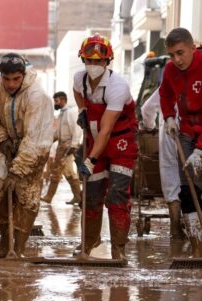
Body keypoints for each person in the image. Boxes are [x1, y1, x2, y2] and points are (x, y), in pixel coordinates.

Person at [0, 52, 54, 258]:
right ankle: (4, 236)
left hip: (34, 148)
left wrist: (17, 172)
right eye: (6, 79)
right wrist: (1, 140)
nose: (11, 84)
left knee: (27, 196)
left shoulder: (38, 97)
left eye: (16, 79)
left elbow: (36, 139)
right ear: (0, 75)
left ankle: (19, 246)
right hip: (3, 143)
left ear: (23, 75)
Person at [73, 33, 138, 261]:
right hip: (94, 139)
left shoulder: (117, 86)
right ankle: (89, 242)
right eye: (89, 61)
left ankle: (118, 248)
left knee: (117, 194)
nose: (93, 65)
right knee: (91, 195)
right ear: (83, 60)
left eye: (98, 61)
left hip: (120, 143)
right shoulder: (79, 79)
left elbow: (107, 129)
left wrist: (90, 160)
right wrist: (82, 110)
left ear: (107, 62)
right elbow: (77, 93)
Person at [160, 27, 202, 256]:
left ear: (192, 48)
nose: (176, 60)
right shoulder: (169, 70)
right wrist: (168, 117)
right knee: (187, 186)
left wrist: (201, 149)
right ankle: (198, 246)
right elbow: (165, 95)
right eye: (172, 55)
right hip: (185, 130)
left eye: (180, 53)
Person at [141, 88, 185, 240]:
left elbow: (146, 109)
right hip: (193, 133)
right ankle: (195, 231)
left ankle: (176, 229)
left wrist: (150, 126)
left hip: (168, 134)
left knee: (171, 179)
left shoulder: (167, 84)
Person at [42, 91, 82, 205]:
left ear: (63, 100)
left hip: (67, 145)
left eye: (56, 100)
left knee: (57, 172)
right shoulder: (61, 114)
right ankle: (77, 196)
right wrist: (48, 140)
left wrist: (74, 145)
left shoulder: (71, 113)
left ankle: (49, 197)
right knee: (67, 172)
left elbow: (77, 129)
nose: (55, 103)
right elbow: (57, 133)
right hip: (61, 145)